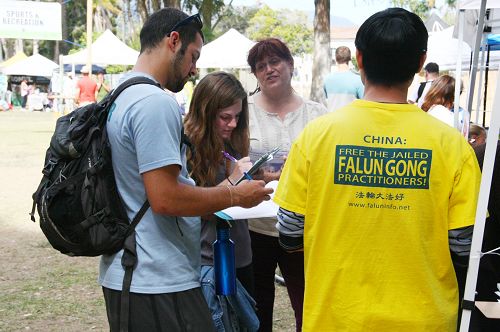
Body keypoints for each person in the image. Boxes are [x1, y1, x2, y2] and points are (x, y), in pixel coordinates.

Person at [274, 8, 482, 331]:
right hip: (424, 320)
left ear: (359, 58)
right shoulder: (453, 147)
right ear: (420, 61)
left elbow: (289, 235)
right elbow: (464, 247)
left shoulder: (315, 137)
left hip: (336, 318)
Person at [100, 8, 273, 331]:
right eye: (193, 56)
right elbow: (166, 198)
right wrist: (234, 196)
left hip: (128, 270)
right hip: (157, 277)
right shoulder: (155, 102)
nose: (194, 69)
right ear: (173, 41)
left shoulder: (119, 94)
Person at [246, 37, 327, 332]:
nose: (269, 69)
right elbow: (231, 163)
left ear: (290, 65)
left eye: (275, 61)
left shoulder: (317, 114)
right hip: (254, 226)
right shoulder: (243, 111)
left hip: (303, 228)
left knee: (307, 305)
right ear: (255, 74)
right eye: (261, 66)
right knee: (257, 308)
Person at [184, 71, 258, 330]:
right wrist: (233, 182)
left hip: (241, 256)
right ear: (206, 112)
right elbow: (191, 207)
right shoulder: (187, 149)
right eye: (225, 117)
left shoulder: (232, 144)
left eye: (238, 116)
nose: (233, 124)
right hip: (208, 263)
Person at [323, 46, 364, 112]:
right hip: (351, 120)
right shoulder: (358, 80)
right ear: (350, 59)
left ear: (336, 58)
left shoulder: (327, 79)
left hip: (332, 120)